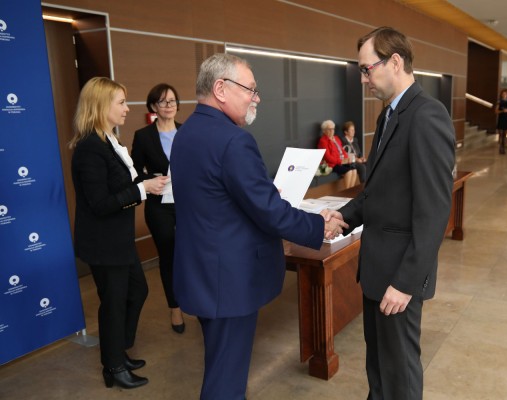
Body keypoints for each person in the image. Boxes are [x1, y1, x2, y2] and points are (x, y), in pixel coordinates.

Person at [169, 53, 348, 400]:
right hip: (229, 281)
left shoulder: (188, 131)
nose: (256, 98)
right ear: (220, 88)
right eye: (250, 89)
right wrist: (317, 225)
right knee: (225, 382)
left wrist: (262, 194)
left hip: (202, 273)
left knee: (221, 364)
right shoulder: (233, 140)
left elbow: (216, 198)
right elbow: (269, 213)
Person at [332, 27, 455, 400]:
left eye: (366, 69)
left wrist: (405, 282)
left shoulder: (427, 116)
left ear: (395, 62)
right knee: (380, 367)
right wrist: (345, 216)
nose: (364, 79)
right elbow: (380, 191)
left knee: (399, 371)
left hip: (398, 275)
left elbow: (434, 211)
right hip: (377, 268)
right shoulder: (389, 115)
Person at [69, 77, 168, 389]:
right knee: (113, 303)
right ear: (101, 107)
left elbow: (128, 180)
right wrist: (142, 189)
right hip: (103, 243)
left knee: (136, 291)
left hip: (119, 241)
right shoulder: (89, 149)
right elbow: (100, 204)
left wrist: (151, 179)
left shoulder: (109, 142)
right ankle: (112, 366)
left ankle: (117, 351)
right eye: (121, 103)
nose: (127, 108)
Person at [131, 83, 185, 334]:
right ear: (153, 106)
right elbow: (133, 172)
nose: (169, 106)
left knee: (192, 252)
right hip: (159, 206)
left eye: (172, 101)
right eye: (163, 102)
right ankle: (175, 308)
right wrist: (148, 180)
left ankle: (195, 299)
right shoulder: (143, 136)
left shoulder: (187, 132)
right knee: (169, 254)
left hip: (189, 204)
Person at [318, 119, 359, 188]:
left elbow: (342, 150)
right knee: (348, 172)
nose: (332, 131)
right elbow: (328, 157)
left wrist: (347, 158)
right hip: (332, 164)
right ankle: (347, 192)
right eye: (329, 129)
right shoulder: (323, 141)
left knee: (354, 170)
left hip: (341, 162)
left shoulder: (336, 138)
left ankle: (351, 191)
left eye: (333, 129)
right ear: (324, 131)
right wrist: (341, 161)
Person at [495, 90, 507, 154]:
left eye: (505, 94)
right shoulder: (499, 102)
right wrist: (502, 111)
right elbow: (496, 111)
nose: (504, 95)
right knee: (500, 133)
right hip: (501, 118)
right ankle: (500, 147)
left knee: (505, 134)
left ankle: (504, 147)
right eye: (502, 94)